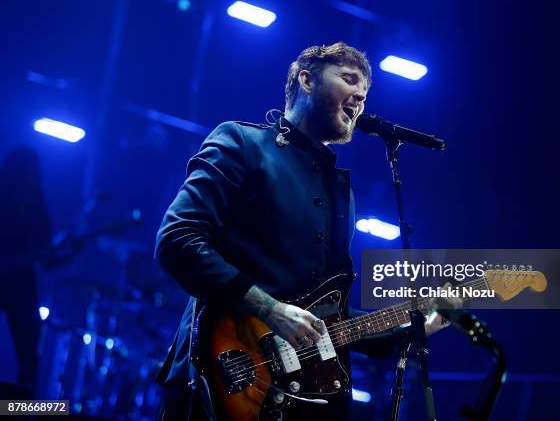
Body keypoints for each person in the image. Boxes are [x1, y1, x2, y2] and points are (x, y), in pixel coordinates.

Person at [154, 42, 449, 421]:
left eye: (365, 93)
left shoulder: (341, 193)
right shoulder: (242, 143)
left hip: (303, 396)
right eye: (349, 79)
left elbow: (327, 318)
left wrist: (413, 326)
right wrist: (270, 309)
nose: (360, 96)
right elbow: (178, 240)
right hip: (219, 373)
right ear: (306, 80)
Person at [0, 146, 52, 396]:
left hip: (21, 285)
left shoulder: (37, 204)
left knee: (28, 356)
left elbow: (49, 258)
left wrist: (77, 244)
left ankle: (19, 410)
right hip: (17, 282)